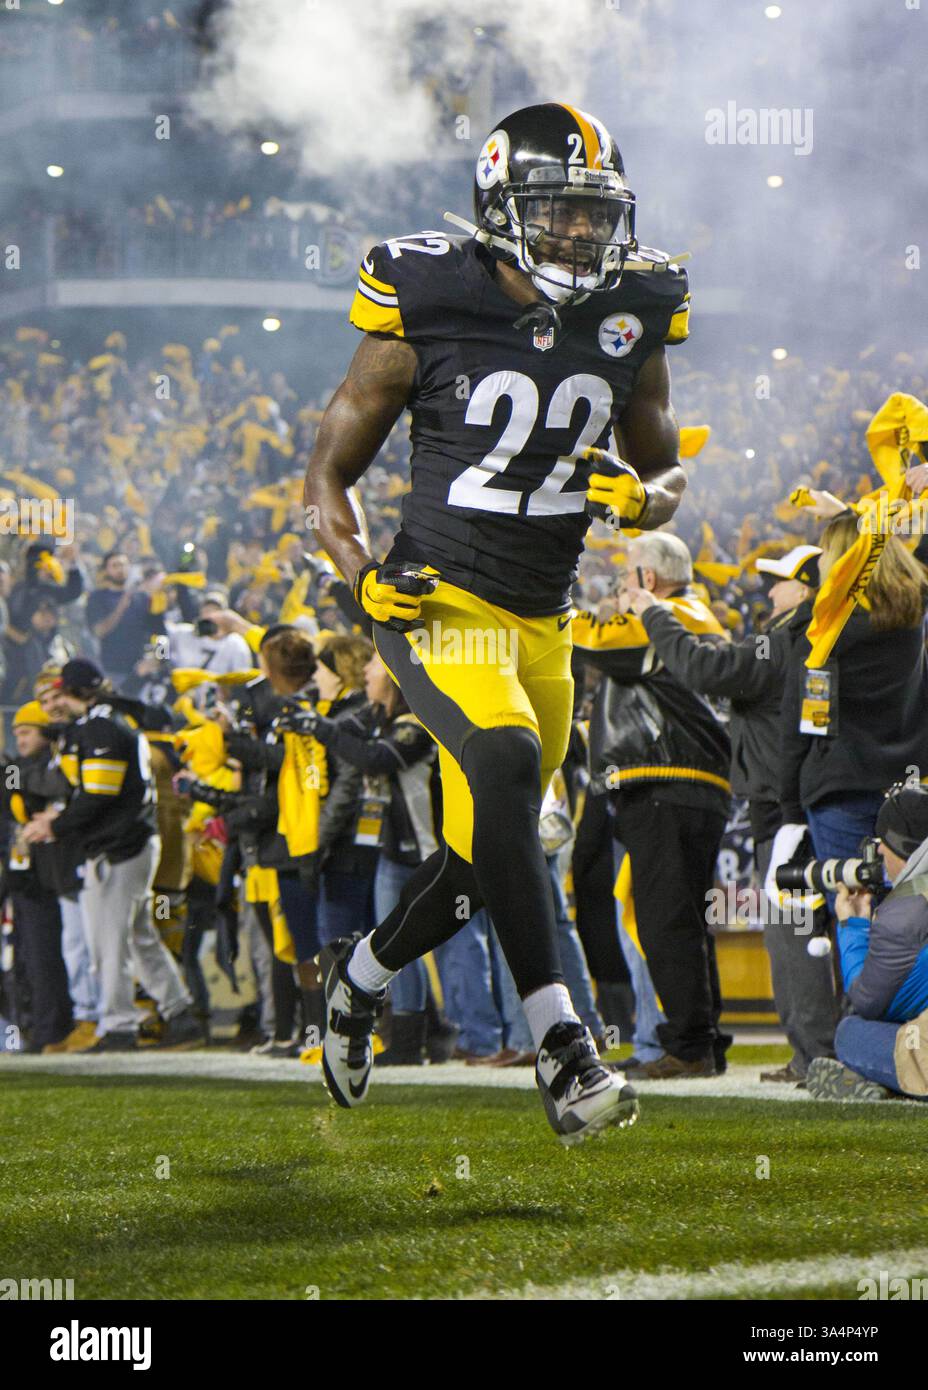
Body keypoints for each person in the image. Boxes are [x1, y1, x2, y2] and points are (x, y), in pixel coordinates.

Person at [305, 102, 691, 1142]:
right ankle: (562, 1049)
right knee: (511, 767)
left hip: (544, 617)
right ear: (498, 207)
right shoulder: (428, 293)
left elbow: (664, 468)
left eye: (591, 213)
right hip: (438, 598)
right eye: (556, 212)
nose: (578, 233)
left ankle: (359, 976)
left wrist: (642, 500)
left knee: (484, 867)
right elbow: (327, 475)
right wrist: (356, 578)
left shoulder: (637, 300)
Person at [625, 543, 838, 1084]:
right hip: (796, 801)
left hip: (784, 806)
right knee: (800, 929)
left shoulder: (790, 637)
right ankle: (812, 1054)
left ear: (808, 586)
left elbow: (703, 666)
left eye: (780, 581)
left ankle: (817, 1056)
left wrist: (652, 610)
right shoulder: (814, 638)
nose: (769, 592)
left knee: (794, 932)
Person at [574, 533, 733, 1079]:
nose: (618, 588)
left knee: (666, 921)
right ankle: (698, 1041)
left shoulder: (670, 612)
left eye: (626, 576)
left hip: (670, 782)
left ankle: (689, 1046)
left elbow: (592, 639)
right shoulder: (691, 612)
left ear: (649, 578)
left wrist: (543, 604)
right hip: (683, 785)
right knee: (682, 920)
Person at [21, 658, 200, 1051]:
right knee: (139, 938)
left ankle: (119, 1026)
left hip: (121, 847)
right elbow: (86, 789)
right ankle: (180, 1015)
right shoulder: (102, 722)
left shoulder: (99, 727)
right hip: (126, 844)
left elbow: (98, 795)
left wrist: (55, 823)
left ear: (74, 692)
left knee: (110, 944)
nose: (55, 704)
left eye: (59, 694)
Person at [780, 515, 928, 882]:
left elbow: (797, 724)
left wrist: (788, 807)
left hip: (840, 789)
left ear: (839, 561)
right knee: (913, 912)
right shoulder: (912, 615)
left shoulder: (821, 633)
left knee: (855, 905)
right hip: (909, 789)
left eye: (826, 551)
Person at [807, 784, 928, 1101]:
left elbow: (869, 1002)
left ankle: (881, 1079)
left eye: (881, 844)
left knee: (852, 1032)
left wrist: (853, 925)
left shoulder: (907, 910)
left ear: (897, 846)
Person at [85, 552, 166, 684]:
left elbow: (161, 634)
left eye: (123, 565)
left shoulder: (143, 598)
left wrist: (160, 660)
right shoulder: (97, 598)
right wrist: (120, 607)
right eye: (115, 565)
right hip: (112, 670)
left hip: (141, 670)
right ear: (106, 570)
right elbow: (99, 632)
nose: (120, 569)